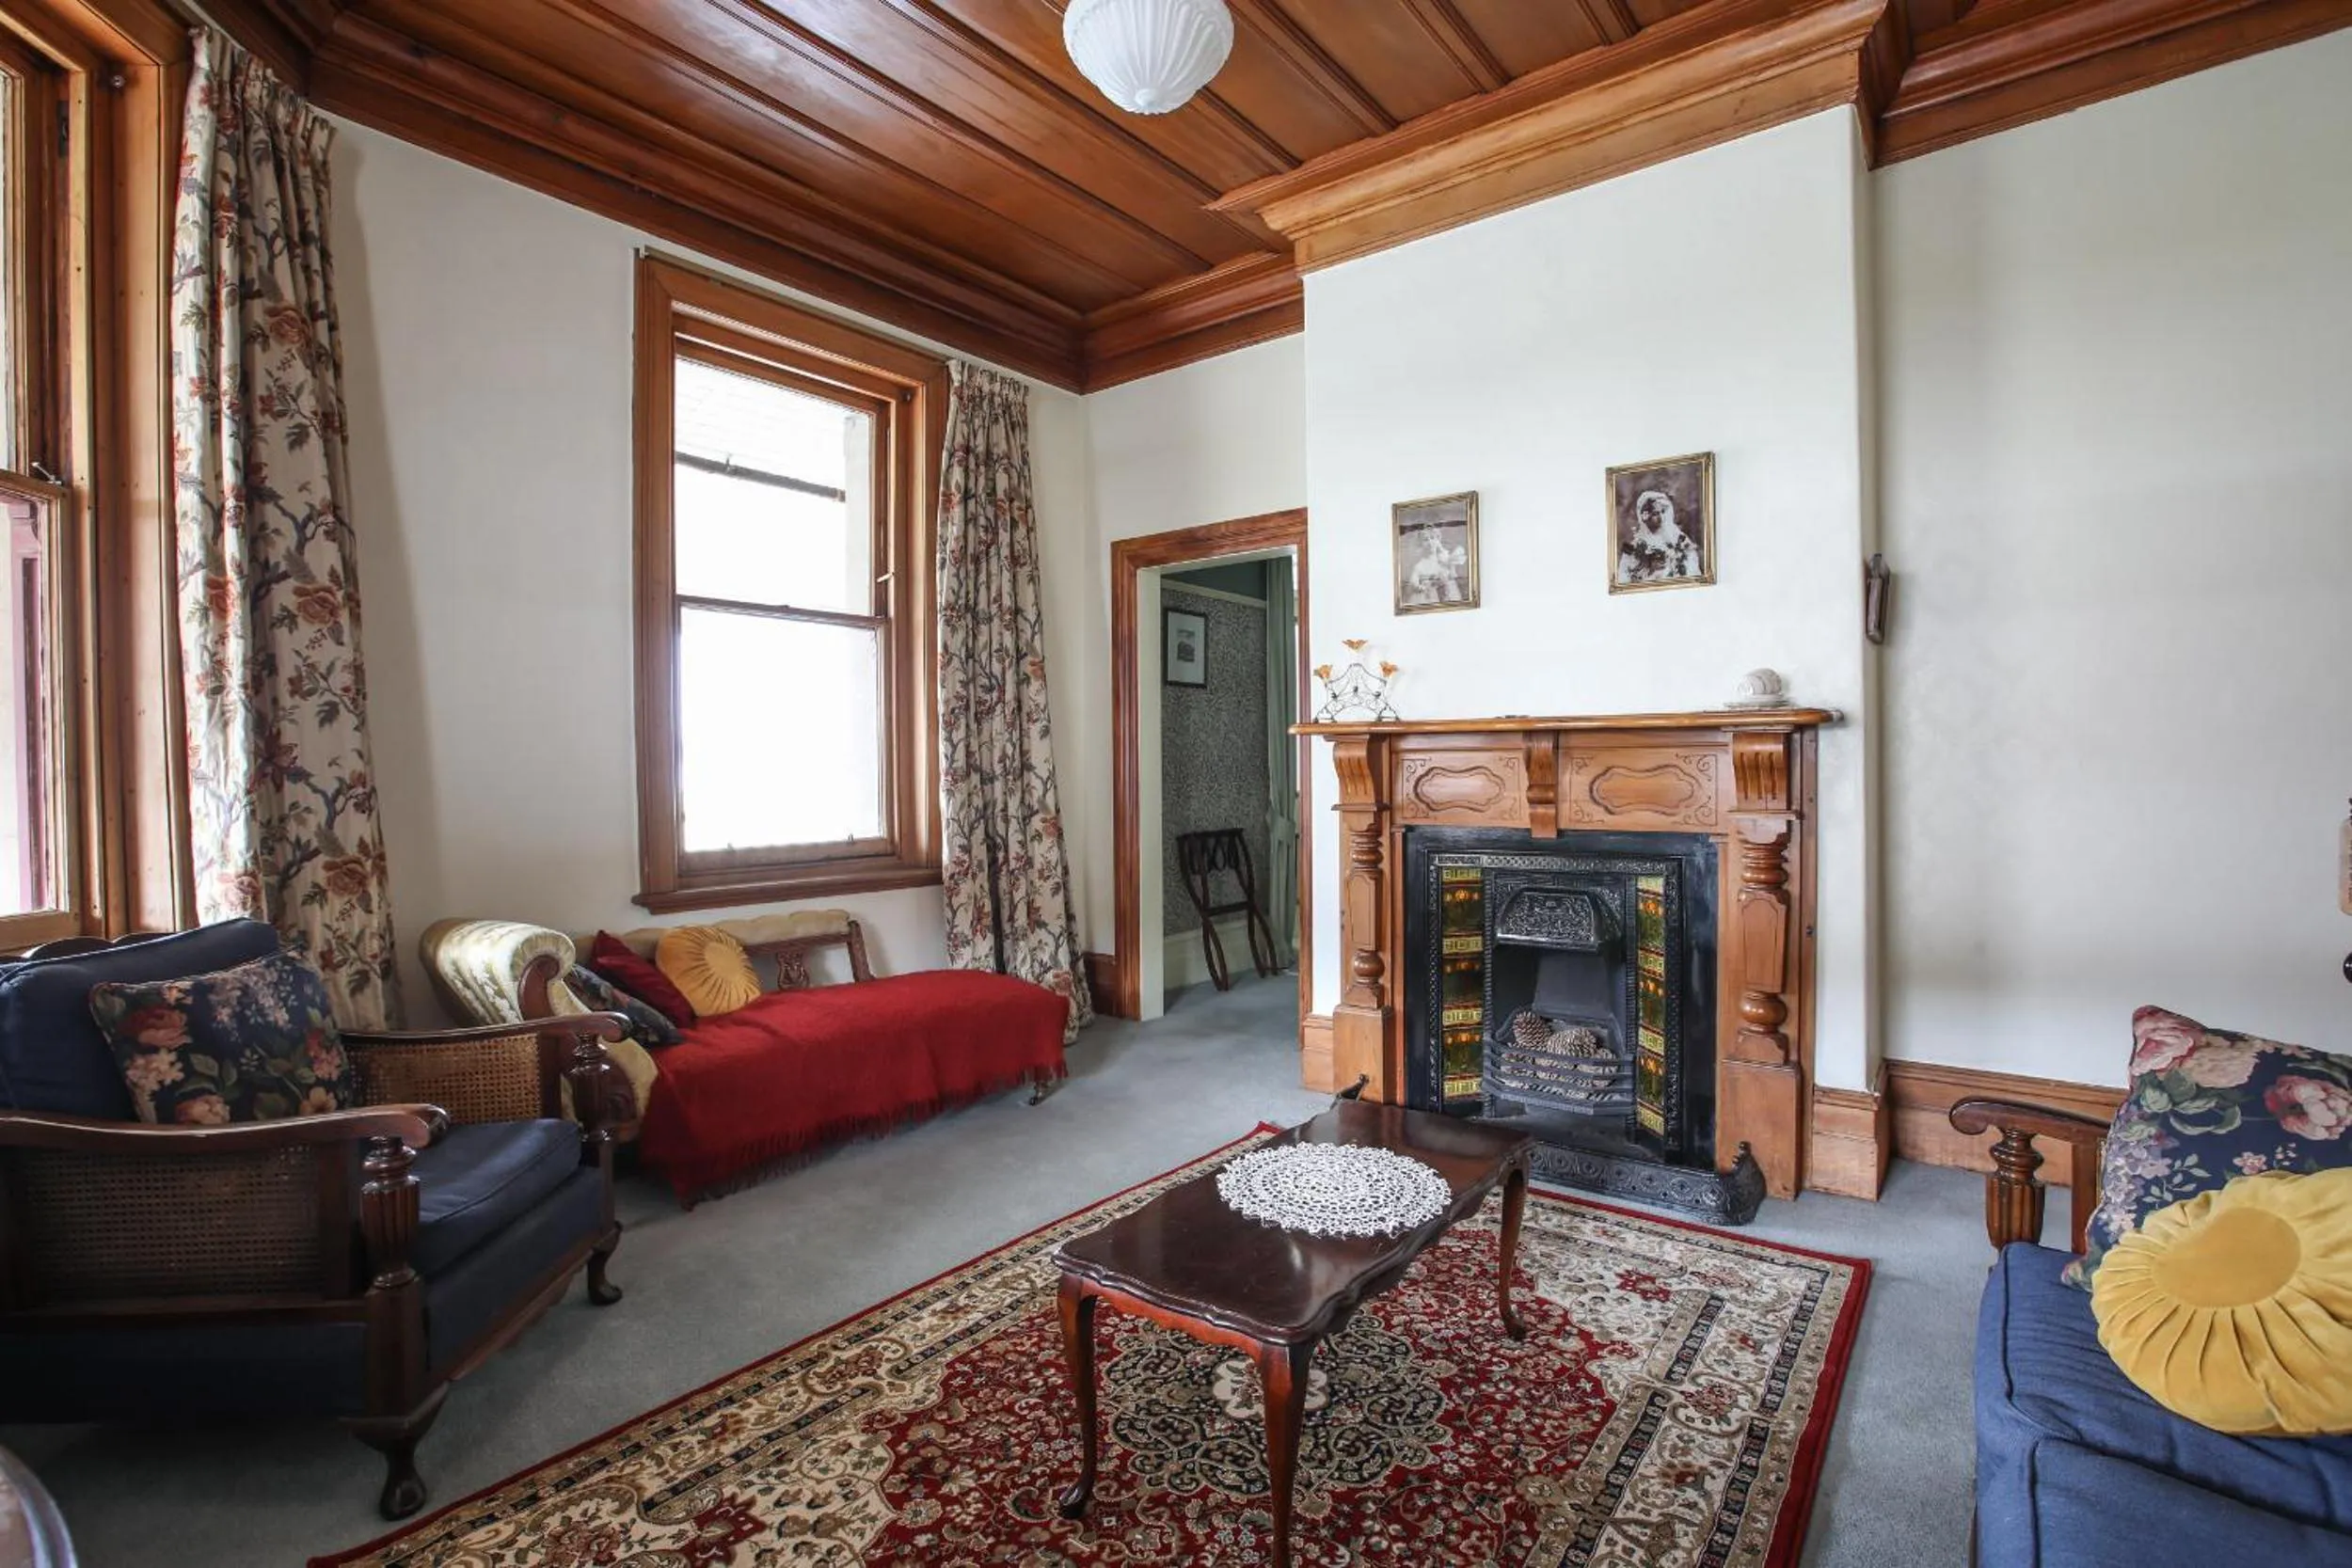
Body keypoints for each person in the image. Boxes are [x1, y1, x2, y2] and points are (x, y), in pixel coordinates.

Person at [1618, 489, 1701, 583]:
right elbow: (1625, 578)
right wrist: (1649, 570)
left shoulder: (1679, 539)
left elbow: (1692, 568)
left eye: (1663, 512)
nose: (1661, 518)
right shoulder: (1635, 546)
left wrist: (1675, 565)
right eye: (1655, 514)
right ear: (1645, 516)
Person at [1403, 526, 1467, 605]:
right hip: (1428, 597)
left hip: (1446, 594)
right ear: (1421, 544)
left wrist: (1450, 569)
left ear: (1438, 540)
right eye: (1426, 540)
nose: (1430, 542)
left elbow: (1453, 576)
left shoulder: (1445, 559)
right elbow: (1413, 581)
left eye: (1432, 538)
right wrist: (1420, 586)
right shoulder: (1420, 565)